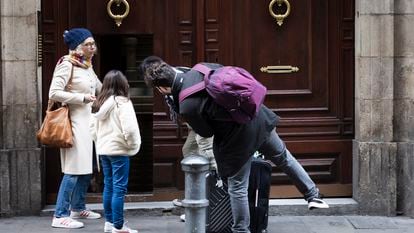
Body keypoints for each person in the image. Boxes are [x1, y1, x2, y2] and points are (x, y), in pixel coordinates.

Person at [138, 56, 329, 233]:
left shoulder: (187, 105)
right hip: (258, 119)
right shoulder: (202, 68)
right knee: (284, 158)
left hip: (237, 141)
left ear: (162, 88)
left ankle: (241, 230)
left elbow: (206, 132)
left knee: (237, 187)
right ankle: (313, 195)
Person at [48, 28, 102, 229]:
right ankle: (60, 215)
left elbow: (99, 87)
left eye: (93, 44)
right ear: (78, 47)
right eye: (88, 44)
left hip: (88, 123)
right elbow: (54, 93)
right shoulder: (66, 64)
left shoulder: (87, 66)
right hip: (74, 122)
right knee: (73, 170)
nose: (93, 48)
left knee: (86, 169)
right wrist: (81, 98)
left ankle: (78, 208)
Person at [90, 70, 141, 233]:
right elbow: (131, 130)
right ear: (123, 84)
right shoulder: (122, 102)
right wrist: (131, 145)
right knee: (119, 188)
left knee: (109, 186)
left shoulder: (99, 103)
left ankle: (110, 223)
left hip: (104, 150)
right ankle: (118, 226)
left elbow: (92, 128)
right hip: (119, 150)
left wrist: (100, 141)